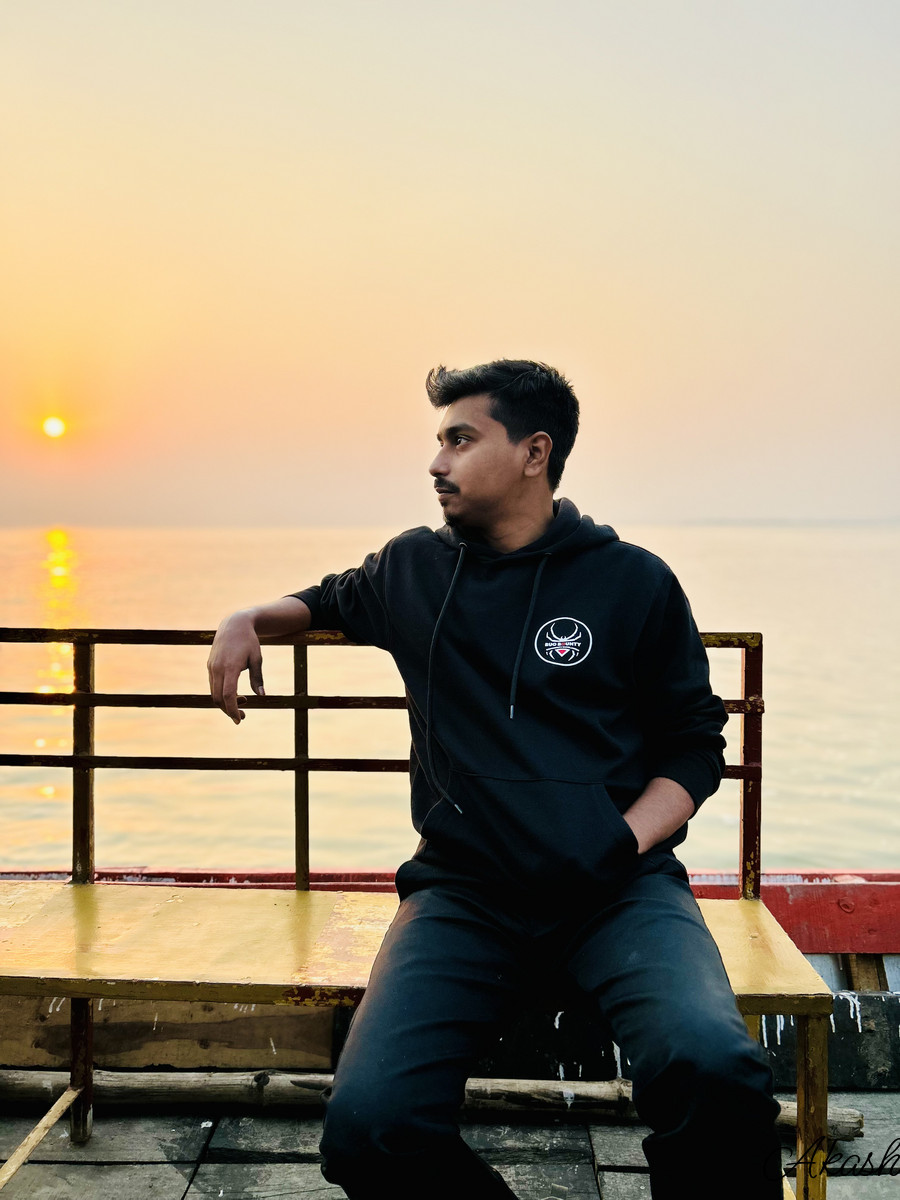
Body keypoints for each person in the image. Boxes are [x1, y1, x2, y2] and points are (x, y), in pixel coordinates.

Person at [207, 359, 784, 1199]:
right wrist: (245, 618)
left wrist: (618, 839)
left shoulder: (633, 582)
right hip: (464, 892)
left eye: (460, 440)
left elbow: (694, 746)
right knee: (369, 1128)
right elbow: (326, 601)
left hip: (617, 889)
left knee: (714, 1067)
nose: (436, 462)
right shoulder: (412, 569)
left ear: (533, 453)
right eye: (438, 441)